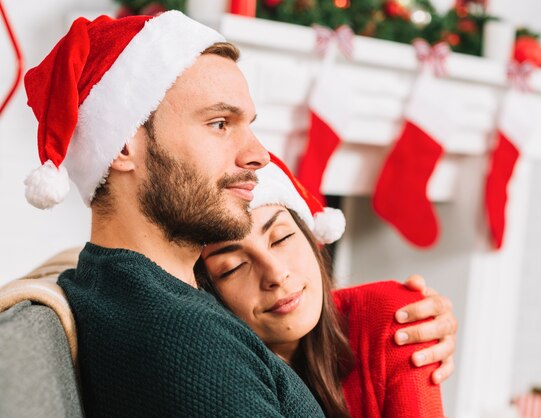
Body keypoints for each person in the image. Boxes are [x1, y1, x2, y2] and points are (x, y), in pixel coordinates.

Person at [22, 11, 456, 417]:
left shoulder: (119, 284)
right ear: (121, 147)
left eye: (248, 124)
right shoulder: (187, 345)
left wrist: (375, 318)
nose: (258, 154)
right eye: (219, 124)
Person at [198, 154, 446, 417]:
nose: (277, 274)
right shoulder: (209, 379)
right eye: (233, 267)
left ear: (309, 236)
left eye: (282, 238)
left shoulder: (394, 316)